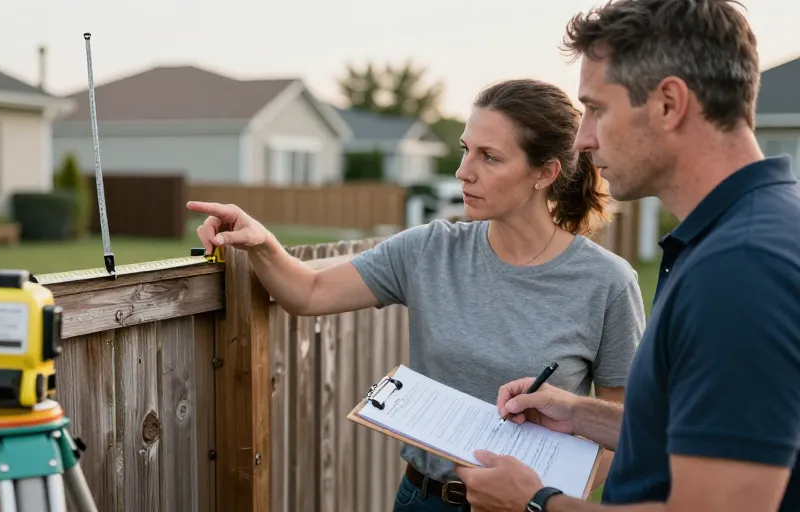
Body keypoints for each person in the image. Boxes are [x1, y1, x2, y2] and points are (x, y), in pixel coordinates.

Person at [187, 77, 647, 511]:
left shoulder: (606, 282)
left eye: (489, 157)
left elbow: (624, 428)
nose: (463, 171)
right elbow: (309, 293)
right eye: (466, 150)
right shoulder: (430, 249)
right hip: (423, 498)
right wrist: (262, 242)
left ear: (544, 172)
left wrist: (538, 496)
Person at [453, 1, 800, 511]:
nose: (583, 139)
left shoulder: (739, 268)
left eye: (597, 109)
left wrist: (535, 503)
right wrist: (578, 413)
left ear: (668, 104)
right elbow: (700, 430)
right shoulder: (748, 229)